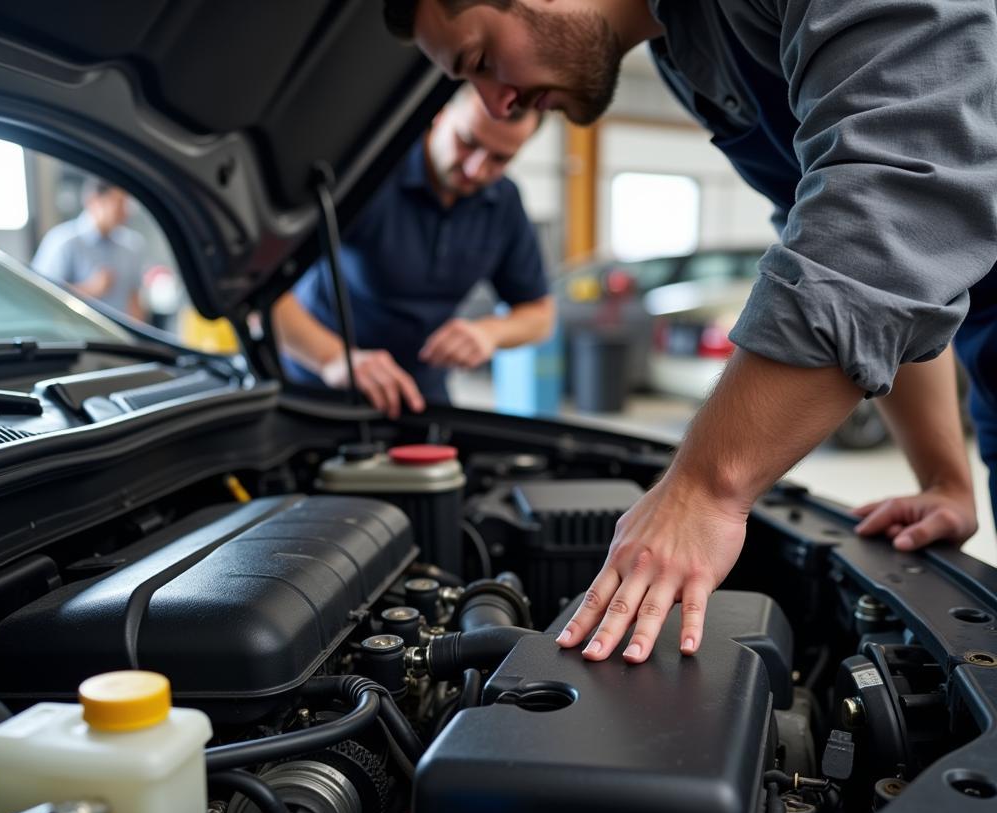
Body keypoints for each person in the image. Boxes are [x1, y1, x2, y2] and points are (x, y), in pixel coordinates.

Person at [382, 0, 997, 660]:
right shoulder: (688, 51)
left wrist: (704, 487)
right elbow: (876, 273)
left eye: (480, 61)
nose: (498, 104)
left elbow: (896, 203)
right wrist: (943, 480)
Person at [272, 87, 555, 418]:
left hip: (420, 393)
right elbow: (262, 296)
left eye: (500, 158)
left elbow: (540, 315)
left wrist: (489, 333)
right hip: (320, 384)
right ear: (439, 115)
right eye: (468, 142)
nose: (476, 170)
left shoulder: (504, 203)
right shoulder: (366, 174)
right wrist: (333, 358)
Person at [31, 177, 145, 320]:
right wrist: (91, 289)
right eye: (119, 202)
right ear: (93, 201)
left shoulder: (132, 245)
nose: (126, 211)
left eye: (127, 203)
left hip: (120, 339)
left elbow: (134, 299)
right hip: (76, 337)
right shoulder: (62, 241)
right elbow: (40, 297)